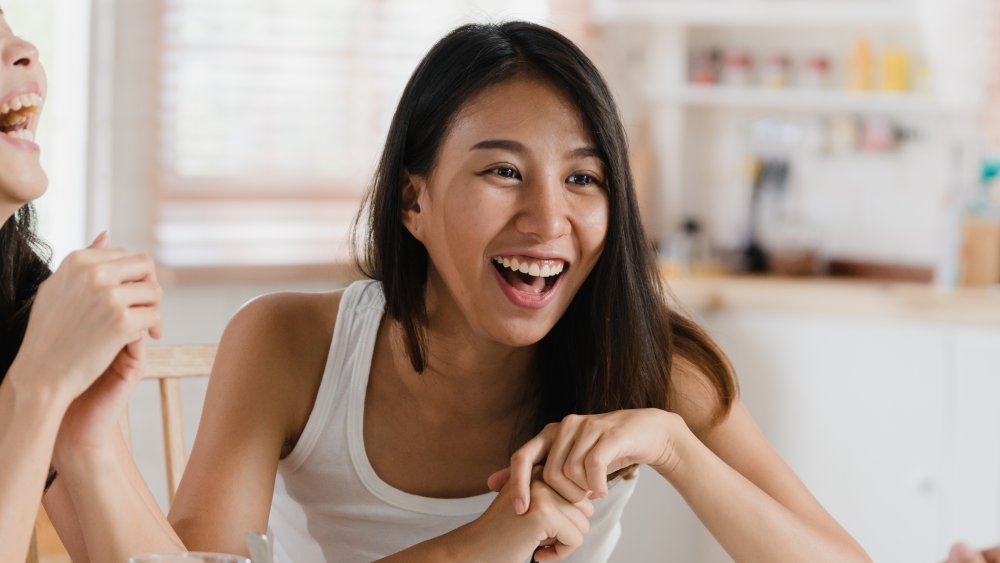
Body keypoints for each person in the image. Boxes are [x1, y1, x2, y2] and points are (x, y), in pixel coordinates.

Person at [167, 21, 871, 562]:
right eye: (503, 171)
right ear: (413, 201)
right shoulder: (289, 343)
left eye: (583, 178)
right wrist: (487, 542)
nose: (547, 219)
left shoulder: (647, 360)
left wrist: (674, 444)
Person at [0, 9, 182, 562]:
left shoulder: (21, 306)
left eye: (9, 34)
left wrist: (84, 439)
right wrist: (37, 391)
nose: (26, 49)